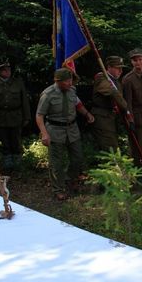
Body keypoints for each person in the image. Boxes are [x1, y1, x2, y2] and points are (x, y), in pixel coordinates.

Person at [36, 68, 95, 201]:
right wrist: (44, 134)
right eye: (67, 81)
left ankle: (69, 179)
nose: (70, 83)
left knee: (77, 158)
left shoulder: (72, 90)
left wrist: (87, 114)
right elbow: (39, 116)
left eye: (71, 80)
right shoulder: (48, 94)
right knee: (56, 163)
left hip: (72, 129)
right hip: (55, 131)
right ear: (58, 81)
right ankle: (58, 189)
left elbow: (78, 105)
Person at [0, 61, 30, 170]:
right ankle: (7, 160)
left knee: (16, 139)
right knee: (4, 139)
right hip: (0, 117)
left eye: (8, 69)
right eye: (4, 70)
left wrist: (27, 116)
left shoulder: (18, 83)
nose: (7, 71)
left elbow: (24, 101)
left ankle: (18, 160)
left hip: (16, 116)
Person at [91, 56, 129, 152]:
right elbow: (112, 92)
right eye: (117, 68)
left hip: (112, 117)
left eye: (121, 68)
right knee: (110, 148)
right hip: (103, 117)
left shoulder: (116, 81)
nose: (120, 71)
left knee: (114, 146)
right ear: (109, 67)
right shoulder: (101, 77)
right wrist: (126, 108)